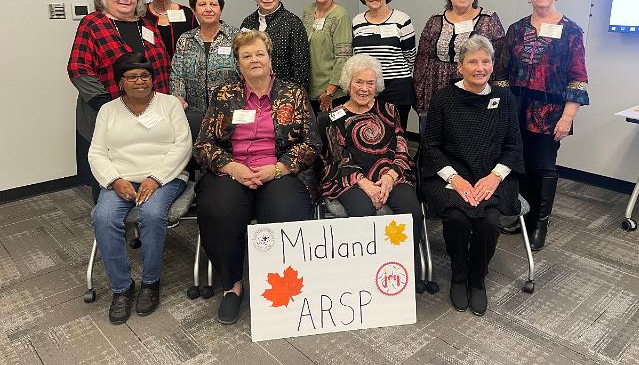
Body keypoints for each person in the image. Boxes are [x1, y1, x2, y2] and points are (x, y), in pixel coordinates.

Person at [194, 30, 320, 325]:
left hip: (278, 171)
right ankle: (232, 286)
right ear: (238, 62)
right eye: (246, 55)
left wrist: (277, 168)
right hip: (231, 171)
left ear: (270, 57)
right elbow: (203, 145)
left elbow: (312, 144)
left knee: (286, 211)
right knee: (219, 210)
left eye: (259, 54)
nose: (254, 60)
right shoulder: (224, 95)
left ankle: (282, 282)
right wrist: (233, 167)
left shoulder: (293, 94)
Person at [419, 35, 524, 316]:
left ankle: (477, 278)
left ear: (492, 65)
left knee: (490, 221)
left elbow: (514, 146)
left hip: (492, 175)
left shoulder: (504, 97)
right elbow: (431, 147)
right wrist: (455, 179)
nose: (480, 68)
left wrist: (495, 177)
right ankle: (459, 275)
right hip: (451, 175)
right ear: (460, 67)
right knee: (456, 218)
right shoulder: (443, 98)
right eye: (472, 62)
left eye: (485, 61)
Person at [88, 52, 191, 325]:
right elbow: (96, 152)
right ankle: (122, 288)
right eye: (132, 77)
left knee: (152, 215)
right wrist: (114, 180)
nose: (140, 81)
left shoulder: (170, 105)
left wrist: (155, 178)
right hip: (121, 178)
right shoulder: (108, 110)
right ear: (120, 81)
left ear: (152, 78)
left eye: (145, 75)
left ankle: (150, 282)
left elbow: (183, 145)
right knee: (103, 217)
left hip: (165, 176)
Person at [493, 0, 589, 250]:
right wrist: (501, 112)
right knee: (517, 164)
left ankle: (539, 223)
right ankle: (521, 216)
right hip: (515, 108)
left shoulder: (571, 31)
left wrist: (568, 117)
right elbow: (501, 74)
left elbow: (578, 78)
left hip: (550, 113)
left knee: (543, 168)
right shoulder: (516, 29)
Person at [68, 0, 171, 203]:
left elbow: (162, 66)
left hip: (150, 114)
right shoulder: (93, 24)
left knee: (146, 166)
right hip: (106, 114)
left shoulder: (147, 25)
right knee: (110, 178)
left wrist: (166, 103)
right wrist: (110, 107)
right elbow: (79, 69)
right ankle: (109, 218)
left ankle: (147, 214)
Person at [321, 54, 423, 275]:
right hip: (350, 179)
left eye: (370, 83)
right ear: (348, 83)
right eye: (358, 82)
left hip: (391, 175)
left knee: (412, 212)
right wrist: (365, 184)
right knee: (363, 212)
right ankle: (366, 274)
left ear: (377, 85)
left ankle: (404, 272)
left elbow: (402, 147)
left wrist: (389, 177)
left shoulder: (390, 110)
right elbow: (338, 157)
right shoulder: (335, 116)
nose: (364, 88)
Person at [413, 0, 504, 113]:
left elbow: (499, 61)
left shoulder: (489, 19)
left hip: (475, 89)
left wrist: (496, 94)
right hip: (437, 88)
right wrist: (419, 94)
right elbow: (422, 60)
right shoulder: (435, 21)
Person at [352, 0, 416, 131]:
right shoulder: (357, 21)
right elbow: (356, 55)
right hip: (367, 88)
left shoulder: (402, 19)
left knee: (396, 134)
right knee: (368, 133)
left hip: (397, 88)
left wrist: (391, 73)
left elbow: (410, 56)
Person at [170, 0, 239, 117]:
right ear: (194, 9)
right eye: (202, 4)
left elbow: (247, 76)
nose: (208, 9)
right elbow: (177, 76)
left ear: (220, 8)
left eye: (213, 4)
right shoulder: (185, 40)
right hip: (194, 116)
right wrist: (178, 98)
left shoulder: (236, 38)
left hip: (230, 114)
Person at [240, 0, 309, 90]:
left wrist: (296, 96)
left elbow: (301, 68)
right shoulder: (248, 22)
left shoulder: (293, 23)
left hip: (283, 93)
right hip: (252, 92)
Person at [302, 0, 352, 113]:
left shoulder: (340, 15)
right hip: (309, 89)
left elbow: (343, 57)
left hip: (331, 94)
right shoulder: (308, 11)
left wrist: (329, 92)